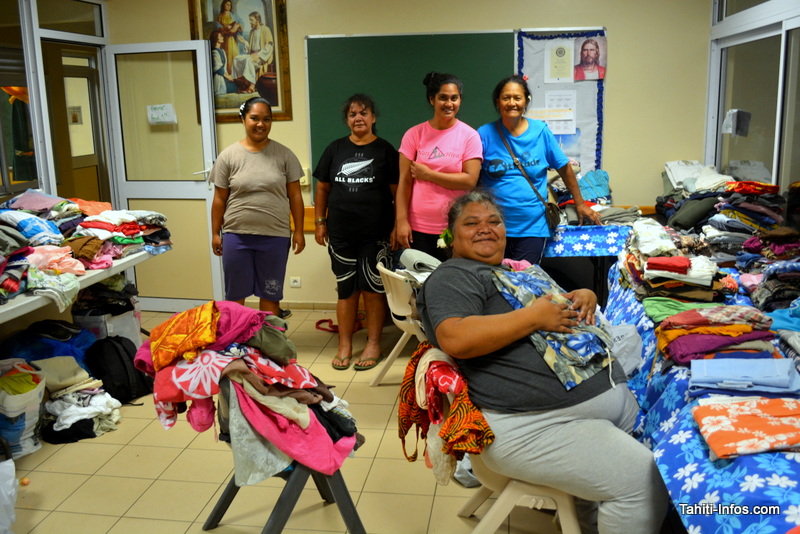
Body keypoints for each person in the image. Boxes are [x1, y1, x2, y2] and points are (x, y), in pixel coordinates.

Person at [417, 190, 668, 534]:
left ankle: (592, 520)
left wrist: (583, 297)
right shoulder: (455, 276)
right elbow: (455, 337)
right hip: (534, 426)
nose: (485, 229)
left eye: (494, 221)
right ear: (451, 236)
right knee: (641, 481)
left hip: (582, 413)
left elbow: (549, 310)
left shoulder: (512, 272)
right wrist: (533, 317)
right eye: (471, 223)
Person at [313, 94, 399, 371]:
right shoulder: (335, 149)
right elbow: (323, 188)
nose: (358, 118)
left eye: (363, 113)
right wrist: (319, 222)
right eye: (352, 114)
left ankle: (373, 343)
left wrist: (398, 226)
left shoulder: (386, 151)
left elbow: (398, 194)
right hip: (340, 234)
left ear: (373, 118)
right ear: (347, 120)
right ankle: (345, 345)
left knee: (373, 291)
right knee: (346, 291)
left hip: (376, 234)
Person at [478, 75, 602, 265]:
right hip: (492, 227)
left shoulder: (540, 131)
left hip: (532, 227)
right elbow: (472, 178)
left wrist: (580, 203)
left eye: (517, 98)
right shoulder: (484, 134)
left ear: (526, 101)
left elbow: (565, 168)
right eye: (506, 97)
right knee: (493, 284)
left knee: (525, 284)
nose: (512, 103)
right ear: (498, 102)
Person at [210, 97, 305, 316]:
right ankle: (235, 344)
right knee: (235, 297)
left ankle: (269, 344)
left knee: (270, 295)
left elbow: (295, 197)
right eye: (254, 118)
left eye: (266, 119)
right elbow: (219, 199)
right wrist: (216, 233)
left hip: (275, 237)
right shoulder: (228, 157)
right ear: (243, 119)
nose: (260, 124)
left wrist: (299, 231)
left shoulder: (285, 155)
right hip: (237, 236)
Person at [393, 72, 482, 262]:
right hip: (418, 228)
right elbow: (404, 182)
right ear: (431, 99)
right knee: (420, 287)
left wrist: (429, 174)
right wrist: (401, 221)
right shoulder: (414, 134)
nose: (449, 104)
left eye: (454, 98)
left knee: (453, 286)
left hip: (456, 227)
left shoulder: (470, 136)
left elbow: (469, 181)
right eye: (443, 98)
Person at [231, 11, 274, 94]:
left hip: (262, 56)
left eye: (251, 20)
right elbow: (250, 48)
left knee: (248, 61)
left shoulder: (265, 29)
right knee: (236, 58)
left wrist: (258, 55)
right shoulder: (252, 31)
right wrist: (244, 42)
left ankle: (252, 85)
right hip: (253, 54)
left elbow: (269, 46)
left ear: (257, 20)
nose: (250, 22)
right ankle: (241, 81)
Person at [214, 0, 246, 75]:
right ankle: (228, 74)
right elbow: (217, 26)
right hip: (225, 39)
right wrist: (225, 28)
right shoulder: (220, 16)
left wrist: (237, 26)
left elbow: (241, 22)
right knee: (226, 56)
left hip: (233, 39)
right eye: (227, 4)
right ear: (223, 5)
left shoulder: (234, 14)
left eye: (230, 5)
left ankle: (236, 74)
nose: (228, 6)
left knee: (234, 55)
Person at [210, 30, 237, 95]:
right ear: (216, 38)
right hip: (218, 77)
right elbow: (218, 68)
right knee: (232, 88)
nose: (222, 37)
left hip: (224, 76)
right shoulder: (214, 52)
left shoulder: (222, 51)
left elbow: (224, 67)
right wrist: (227, 77)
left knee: (235, 87)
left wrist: (228, 76)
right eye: (220, 36)